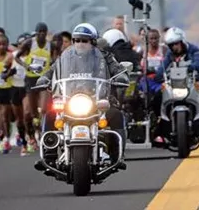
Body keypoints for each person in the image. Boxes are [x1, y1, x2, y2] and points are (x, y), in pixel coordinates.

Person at [35, 23, 129, 168]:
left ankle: (117, 156)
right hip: (70, 100)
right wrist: (44, 78)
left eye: (84, 40)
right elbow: (52, 70)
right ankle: (48, 156)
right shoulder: (65, 58)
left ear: (93, 42)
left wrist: (121, 76)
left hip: (97, 100)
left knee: (116, 114)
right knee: (50, 116)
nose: (80, 44)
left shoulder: (105, 57)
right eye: (77, 40)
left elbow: (118, 69)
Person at [157, 27, 199, 138]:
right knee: (158, 99)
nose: (174, 47)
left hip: (195, 81)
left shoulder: (194, 50)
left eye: (176, 43)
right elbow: (163, 66)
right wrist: (158, 74)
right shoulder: (169, 54)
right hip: (176, 84)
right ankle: (163, 130)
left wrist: (191, 66)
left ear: (182, 41)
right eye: (171, 45)